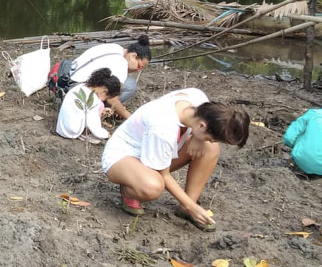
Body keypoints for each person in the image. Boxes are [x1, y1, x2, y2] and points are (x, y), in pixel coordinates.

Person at [102, 88, 250, 232]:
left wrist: (199, 138)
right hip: (123, 156)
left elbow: (202, 124)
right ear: (202, 125)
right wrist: (194, 207)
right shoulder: (163, 127)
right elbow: (164, 174)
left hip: (154, 151)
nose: (210, 141)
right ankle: (129, 190)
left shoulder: (197, 100)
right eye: (209, 138)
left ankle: (187, 206)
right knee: (152, 187)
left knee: (211, 149)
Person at [69, 35, 152, 119]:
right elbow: (112, 99)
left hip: (69, 78)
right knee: (130, 85)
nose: (138, 70)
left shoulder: (115, 47)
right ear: (133, 56)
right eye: (140, 66)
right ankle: (99, 110)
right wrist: (129, 117)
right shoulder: (121, 64)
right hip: (78, 90)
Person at [56, 68, 122, 143]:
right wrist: (106, 134)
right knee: (97, 140)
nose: (104, 100)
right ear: (104, 91)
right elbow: (94, 125)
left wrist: (101, 110)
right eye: (106, 98)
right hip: (72, 132)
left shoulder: (80, 87)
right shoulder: (93, 100)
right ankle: (84, 134)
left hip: (61, 128)